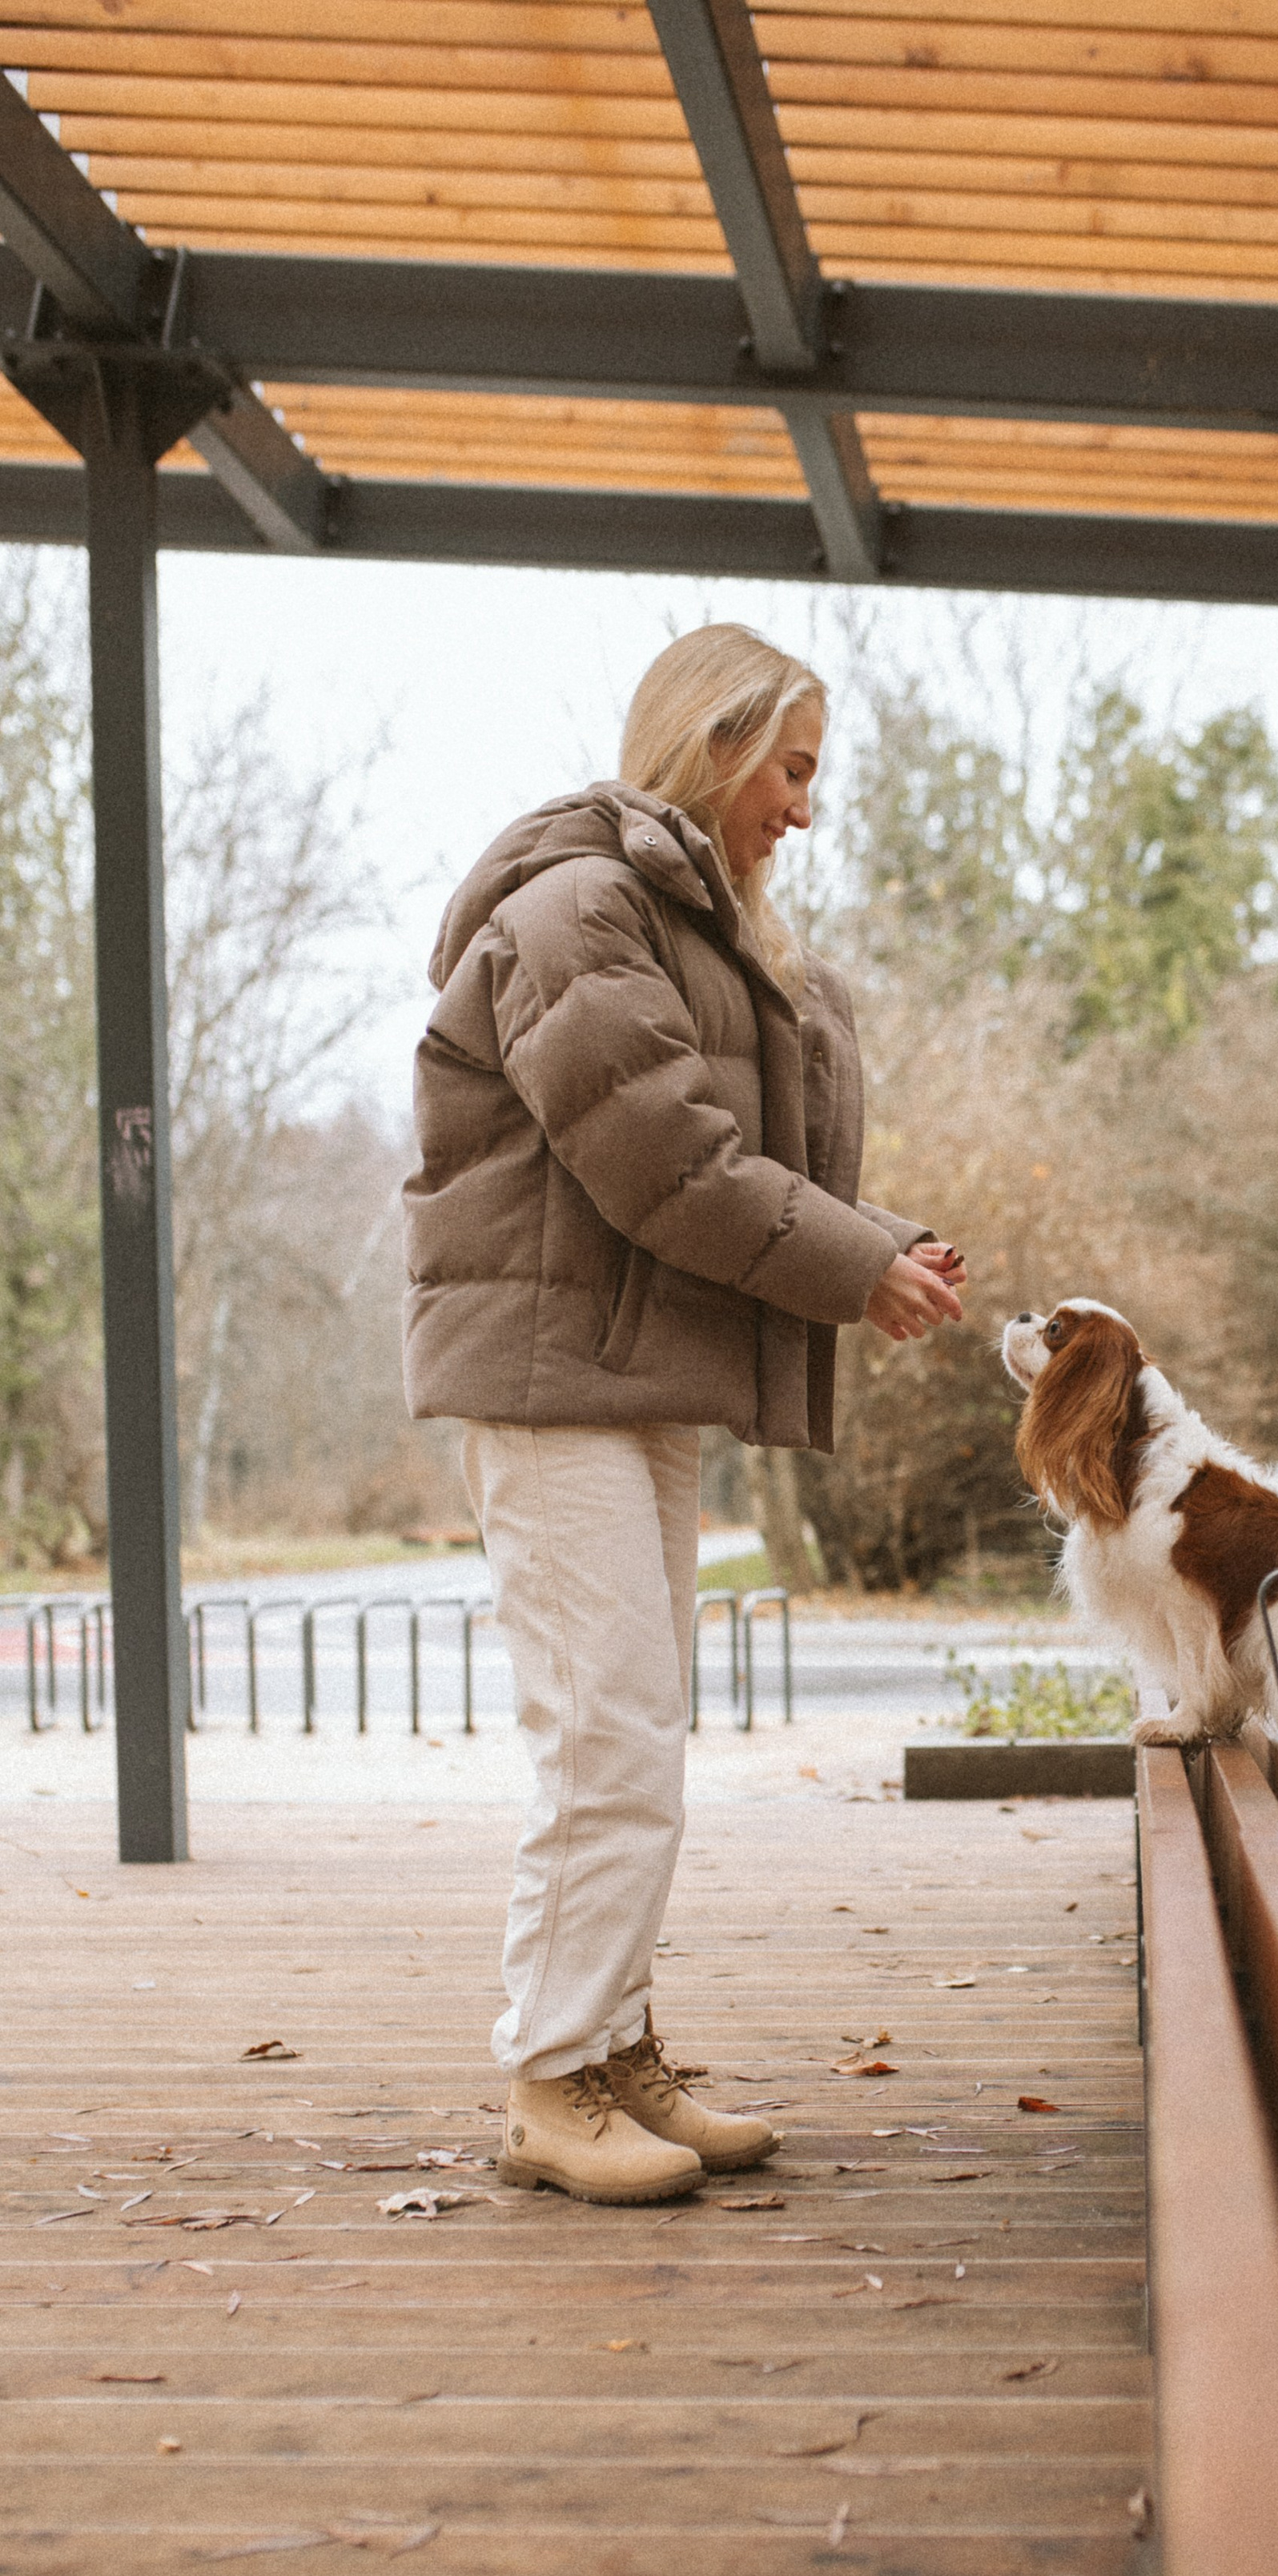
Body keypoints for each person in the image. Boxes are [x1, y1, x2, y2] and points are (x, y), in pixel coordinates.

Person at [400, 624, 963, 2203]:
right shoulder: (577, 914)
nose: (805, 804)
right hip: (552, 1380)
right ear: (711, 747)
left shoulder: (684, 929)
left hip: (630, 1373)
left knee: (640, 1730)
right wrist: (860, 1270)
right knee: (610, 1733)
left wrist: (879, 1246)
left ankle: (610, 2047)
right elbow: (666, 1160)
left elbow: (722, 1138)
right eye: (790, 767)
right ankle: (549, 2077)